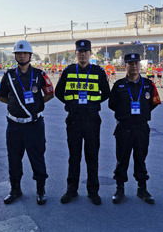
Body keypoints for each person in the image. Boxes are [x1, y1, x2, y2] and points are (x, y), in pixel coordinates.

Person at [0, 40, 54, 205]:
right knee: (14, 159)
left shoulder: (39, 75)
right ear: (15, 56)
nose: (22, 56)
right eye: (19, 53)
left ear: (30, 55)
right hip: (14, 125)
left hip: (34, 124)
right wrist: (16, 107)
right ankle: (15, 190)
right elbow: (2, 97)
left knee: (37, 158)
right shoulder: (8, 75)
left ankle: (40, 190)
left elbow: (50, 94)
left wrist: (35, 107)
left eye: (25, 53)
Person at [55, 39, 110, 205]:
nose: (83, 54)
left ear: (90, 53)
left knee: (92, 157)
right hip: (74, 120)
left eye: (85, 52)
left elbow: (106, 93)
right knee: (74, 157)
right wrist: (70, 103)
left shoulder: (99, 72)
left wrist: (93, 104)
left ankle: (93, 192)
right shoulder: (69, 71)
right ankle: (72, 190)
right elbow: (58, 92)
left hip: (92, 120)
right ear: (76, 53)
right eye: (80, 52)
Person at [109, 53, 161, 204]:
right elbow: (112, 104)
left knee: (141, 158)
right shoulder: (119, 85)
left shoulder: (148, 84)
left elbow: (154, 102)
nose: (134, 66)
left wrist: (143, 113)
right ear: (125, 66)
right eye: (130, 63)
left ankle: (142, 189)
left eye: (136, 63)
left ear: (140, 65)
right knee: (122, 159)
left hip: (141, 128)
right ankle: (120, 189)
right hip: (124, 127)